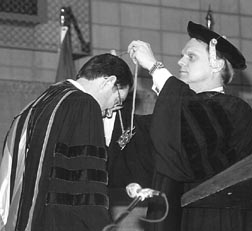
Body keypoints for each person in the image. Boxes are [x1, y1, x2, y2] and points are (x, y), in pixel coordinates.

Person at [128, 21, 252, 231]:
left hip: (215, 220)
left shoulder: (235, 110)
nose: (180, 62)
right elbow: (144, 142)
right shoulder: (173, 115)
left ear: (217, 64)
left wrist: (155, 67)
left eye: (191, 56)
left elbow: (193, 141)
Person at [0, 53, 133, 231]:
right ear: (108, 81)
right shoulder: (84, 105)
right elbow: (85, 187)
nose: (109, 113)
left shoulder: (33, 108)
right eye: (117, 101)